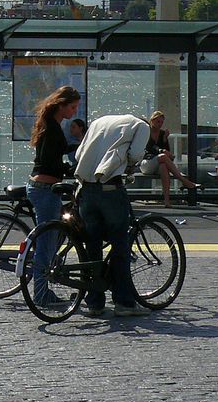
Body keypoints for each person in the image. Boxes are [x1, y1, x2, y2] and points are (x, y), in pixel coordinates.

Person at [73, 114, 151, 317]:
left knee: (92, 246)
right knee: (120, 245)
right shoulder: (142, 126)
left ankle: (95, 302)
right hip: (110, 189)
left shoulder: (99, 121)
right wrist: (130, 166)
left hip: (85, 189)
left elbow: (78, 154)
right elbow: (135, 155)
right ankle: (124, 302)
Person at [28, 85, 81, 305]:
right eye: (72, 107)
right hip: (46, 190)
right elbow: (51, 161)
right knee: (46, 244)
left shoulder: (50, 124)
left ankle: (43, 285)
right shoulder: (52, 128)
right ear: (61, 105)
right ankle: (41, 294)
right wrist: (70, 170)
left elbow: (51, 156)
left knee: (52, 237)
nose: (75, 112)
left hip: (42, 187)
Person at [139, 110, 198, 207]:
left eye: (161, 122)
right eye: (158, 121)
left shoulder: (162, 134)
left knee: (163, 166)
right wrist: (162, 151)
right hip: (147, 163)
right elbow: (148, 148)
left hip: (158, 162)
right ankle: (183, 180)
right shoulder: (146, 131)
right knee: (162, 157)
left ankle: (167, 201)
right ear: (152, 120)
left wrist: (165, 140)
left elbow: (167, 152)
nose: (160, 124)